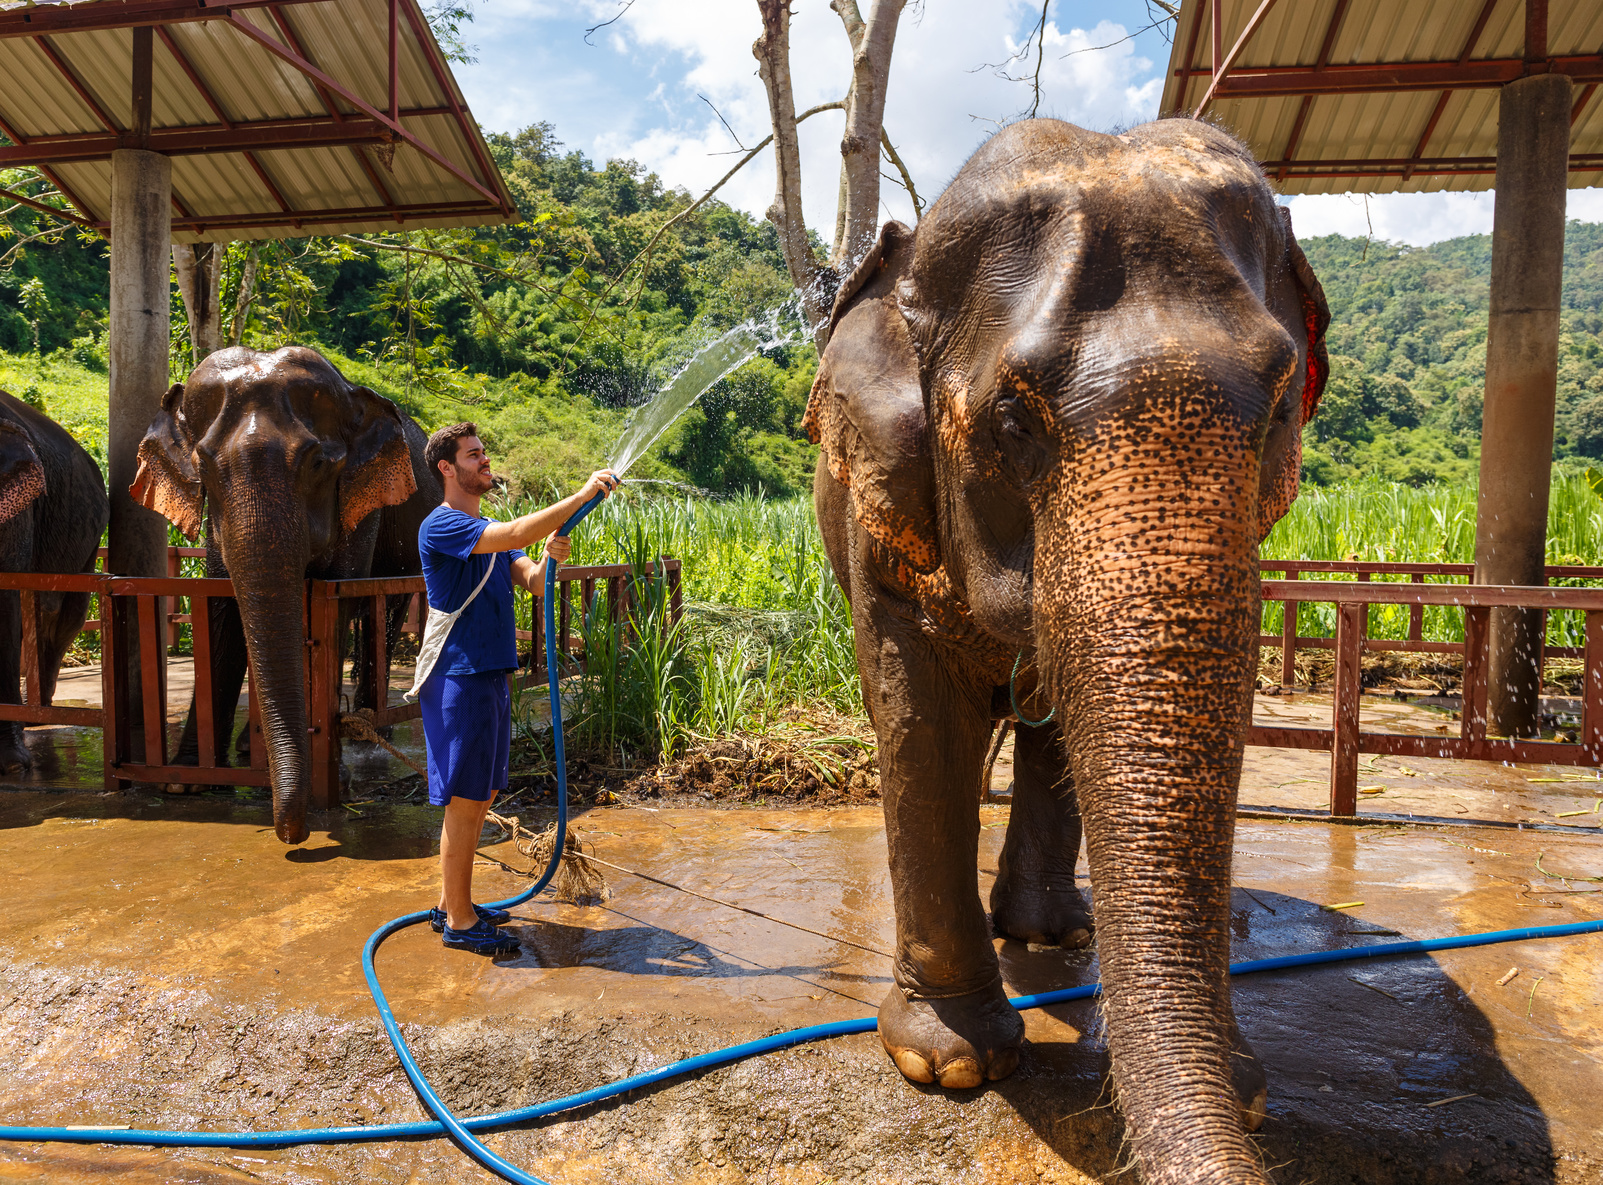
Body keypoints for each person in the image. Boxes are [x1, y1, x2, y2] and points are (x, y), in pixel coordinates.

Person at [417, 421, 617, 954]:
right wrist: (579, 496)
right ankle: (459, 922)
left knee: (481, 794)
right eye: (473, 455)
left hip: (489, 673)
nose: (485, 461)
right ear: (446, 468)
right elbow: (512, 536)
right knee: (465, 799)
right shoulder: (443, 526)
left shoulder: (488, 533)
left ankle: (449, 905)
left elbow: (529, 576)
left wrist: (551, 559)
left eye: (484, 453)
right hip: (459, 675)